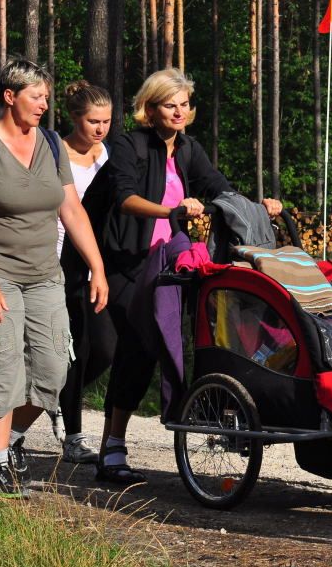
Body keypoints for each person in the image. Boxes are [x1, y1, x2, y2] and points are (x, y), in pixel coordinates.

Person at [89, 67, 281, 484]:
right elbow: (124, 198)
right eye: (169, 105)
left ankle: (208, 410)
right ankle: (112, 446)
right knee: (138, 346)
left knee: (204, 333)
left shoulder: (188, 148)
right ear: (149, 109)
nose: (179, 112)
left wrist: (257, 206)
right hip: (127, 261)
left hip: (171, 263)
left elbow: (219, 188)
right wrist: (171, 212)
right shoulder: (129, 145)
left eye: (184, 104)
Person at [0, 59, 108, 498]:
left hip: (45, 275)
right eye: (36, 96)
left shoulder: (52, 144)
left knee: (53, 369)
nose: (44, 104)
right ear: (10, 96)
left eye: (46, 97)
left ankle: (13, 437)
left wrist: (97, 267)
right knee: (2, 369)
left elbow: (71, 209)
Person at [47, 80, 115, 464]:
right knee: (76, 349)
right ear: (75, 118)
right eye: (93, 121)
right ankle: (73, 437)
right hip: (59, 261)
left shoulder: (107, 154)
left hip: (97, 263)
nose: (100, 129)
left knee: (105, 349)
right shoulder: (56, 152)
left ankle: (53, 397)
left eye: (106, 121)